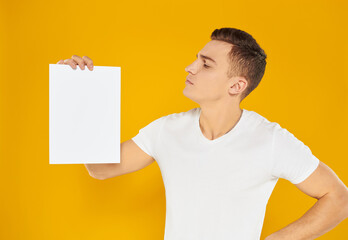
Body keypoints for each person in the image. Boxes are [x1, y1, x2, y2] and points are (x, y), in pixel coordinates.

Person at [57, 27, 348, 240]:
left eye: (206, 64)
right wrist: (76, 94)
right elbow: (99, 168)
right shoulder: (167, 130)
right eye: (197, 58)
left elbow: (339, 198)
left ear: (236, 86)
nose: (190, 67)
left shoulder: (270, 140)